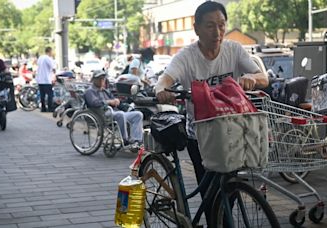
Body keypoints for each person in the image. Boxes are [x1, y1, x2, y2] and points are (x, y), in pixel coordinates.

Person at [155, 1, 268, 221]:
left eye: (222, 25)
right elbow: (165, 79)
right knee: (211, 197)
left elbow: (264, 78)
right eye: (210, 26)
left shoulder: (234, 50)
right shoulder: (186, 57)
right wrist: (162, 89)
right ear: (196, 28)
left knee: (229, 192)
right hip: (200, 135)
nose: (217, 32)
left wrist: (251, 78)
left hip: (232, 132)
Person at [84, 70, 144, 147]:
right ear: (94, 80)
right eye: (100, 78)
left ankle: (136, 141)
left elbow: (113, 99)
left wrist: (117, 101)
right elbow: (94, 103)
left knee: (138, 115)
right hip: (101, 114)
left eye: (103, 78)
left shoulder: (105, 91)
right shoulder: (90, 91)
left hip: (113, 113)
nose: (102, 80)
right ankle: (124, 139)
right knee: (120, 114)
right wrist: (109, 102)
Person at [36, 47, 56, 112]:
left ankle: (43, 108)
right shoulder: (48, 58)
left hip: (40, 79)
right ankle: (50, 107)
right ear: (50, 51)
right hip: (46, 80)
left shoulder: (40, 58)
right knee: (50, 94)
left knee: (42, 95)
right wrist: (55, 74)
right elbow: (53, 67)